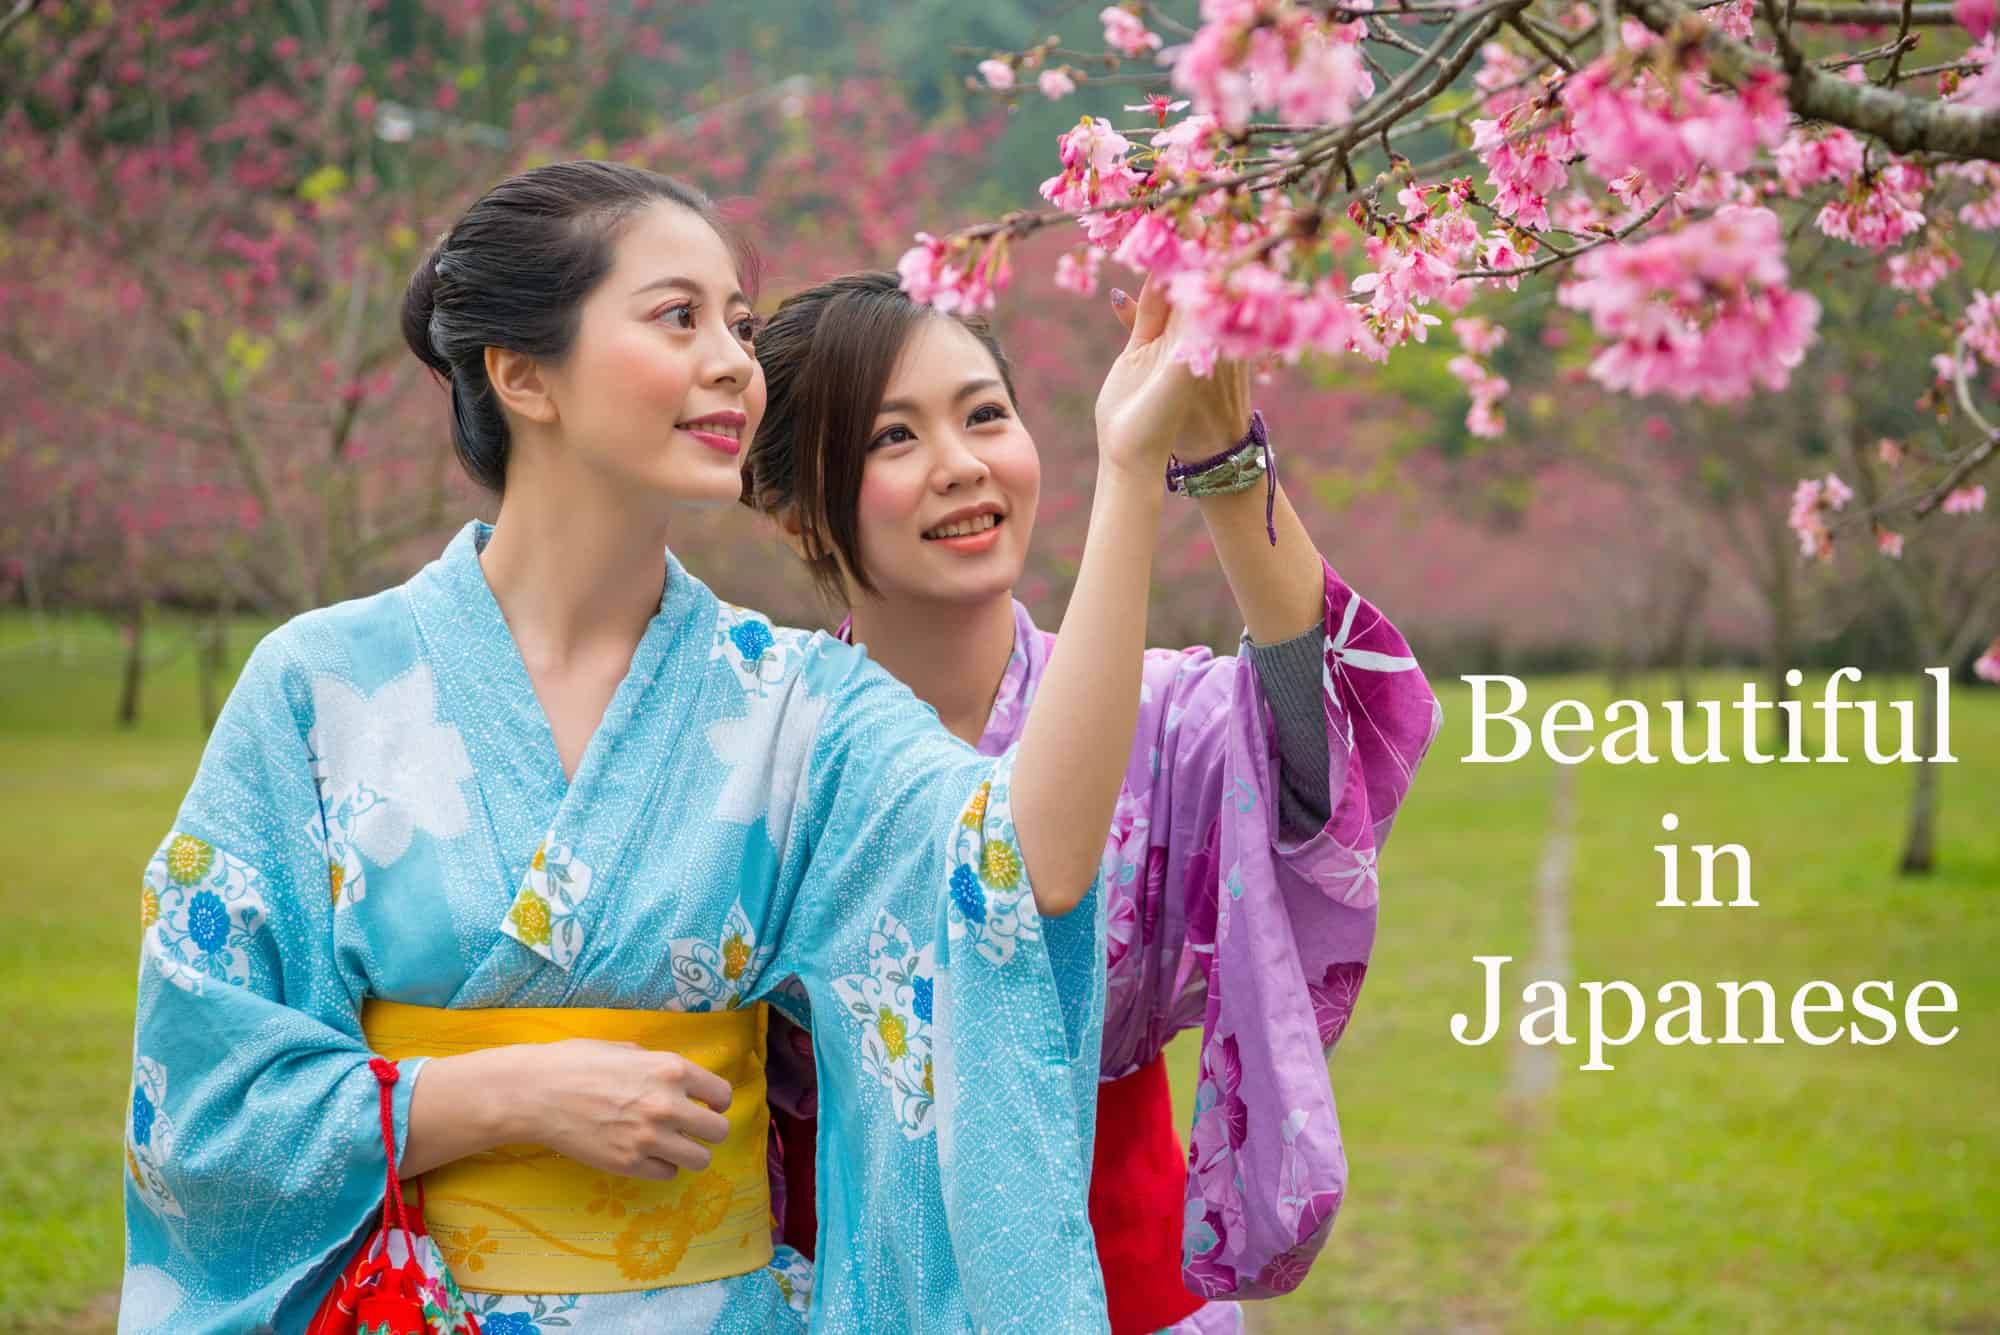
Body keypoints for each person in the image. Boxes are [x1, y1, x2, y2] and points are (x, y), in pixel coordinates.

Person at [117, 163, 1221, 1333]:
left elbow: (1019, 870)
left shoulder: (793, 704)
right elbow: (198, 1103)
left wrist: (1130, 476)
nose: (734, 363)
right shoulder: (318, 689)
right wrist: (492, 1096)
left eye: (738, 327)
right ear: (521, 373)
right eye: (678, 317)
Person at [743, 271, 1441, 1334]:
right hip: (847, 1289)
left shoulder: (1157, 716)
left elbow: (1322, 749)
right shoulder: (762, 755)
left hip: (1124, 1290)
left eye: (984, 415)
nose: (962, 465)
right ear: (797, 515)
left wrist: (1217, 459)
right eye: (894, 438)